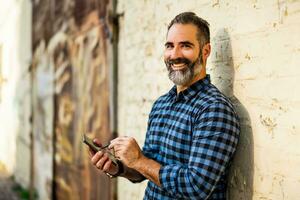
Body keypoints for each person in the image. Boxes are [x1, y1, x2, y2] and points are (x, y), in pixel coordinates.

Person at [89, 12, 240, 199]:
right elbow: (146, 169)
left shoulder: (214, 110)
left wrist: (139, 159)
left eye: (185, 46)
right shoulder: (161, 105)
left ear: (205, 51)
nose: (175, 55)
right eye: (169, 46)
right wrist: (119, 167)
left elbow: (196, 188)